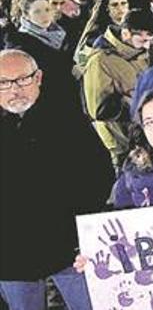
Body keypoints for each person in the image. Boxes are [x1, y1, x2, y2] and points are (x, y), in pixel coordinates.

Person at [1, 49, 114, 310]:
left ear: (38, 78)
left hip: (69, 248)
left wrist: (82, 230)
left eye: (23, 80)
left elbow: (99, 173)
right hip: (10, 253)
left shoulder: (67, 118)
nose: (14, 89)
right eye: (4, 83)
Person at [82, 9, 153, 167]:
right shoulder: (100, 60)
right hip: (121, 144)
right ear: (126, 33)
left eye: (150, 40)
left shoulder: (142, 52)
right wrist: (131, 102)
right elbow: (98, 109)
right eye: (143, 41)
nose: (147, 45)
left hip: (146, 138)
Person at [4, 0, 75, 98]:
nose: (44, 15)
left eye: (47, 10)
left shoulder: (62, 33)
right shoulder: (20, 44)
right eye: (37, 12)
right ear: (27, 15)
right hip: (42, 101)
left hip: (66, 95)